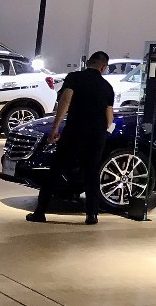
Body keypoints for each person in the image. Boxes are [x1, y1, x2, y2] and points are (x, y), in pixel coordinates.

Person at [27, 51, 115, 225]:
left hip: (75, 132)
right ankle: (91, 215)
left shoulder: (74, 78)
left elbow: (65, 102)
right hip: (96, 136)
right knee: (91, 174)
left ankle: (40, 212)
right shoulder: (107, 87)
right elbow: (109, 118)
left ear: (88, 63)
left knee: (55, 170)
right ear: (103, 67)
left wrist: (55, 128)